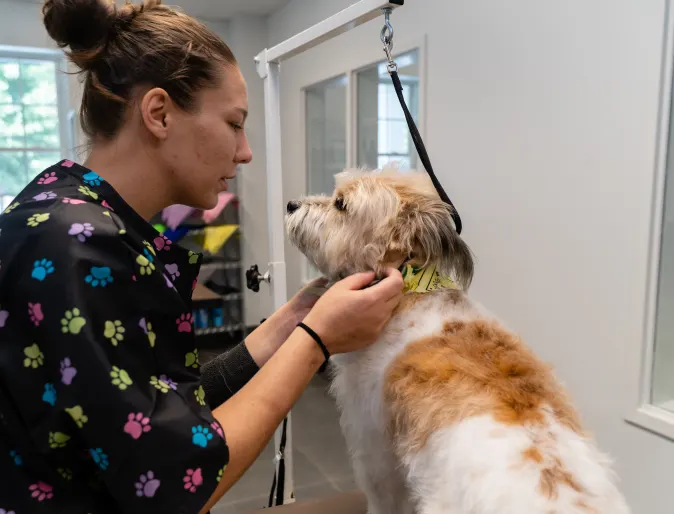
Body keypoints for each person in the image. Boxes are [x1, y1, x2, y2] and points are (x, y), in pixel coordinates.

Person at [0, 1, 404, 513]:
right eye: (234, 124)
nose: (245, 151)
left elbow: (161, 410)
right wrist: (315, 341)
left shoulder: (81, 214)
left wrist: (289, 322)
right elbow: (176, 483)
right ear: (159, 113)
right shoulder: (76, 248)